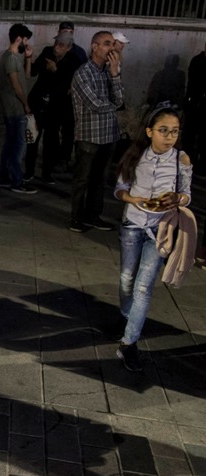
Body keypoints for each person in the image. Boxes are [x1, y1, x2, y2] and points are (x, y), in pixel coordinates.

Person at [113, 106, 192, 372]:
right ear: (149, 132)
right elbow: (120, 189)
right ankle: (128, 316)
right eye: (163, 131)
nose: (169, 137)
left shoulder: (181, 159)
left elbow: (186, 194)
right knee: (126, 280)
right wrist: (134, 199)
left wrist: (178, 199)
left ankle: (128, 342)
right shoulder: (136, 156)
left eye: (174, 132)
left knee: (144, 288)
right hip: (132, 224)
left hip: (161, 230)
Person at [69, 31, 124, 233]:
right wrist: (114, 104)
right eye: (107, 44)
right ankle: (76, 217)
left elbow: (120, 99)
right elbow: (95, 104)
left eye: (113, 44)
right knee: (82, 179)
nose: (111, 48)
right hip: (89, 135)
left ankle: (93, 215)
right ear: (94, 47)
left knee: (99, 180)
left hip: (108, 134)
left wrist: (116, 73)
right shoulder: (83, 73)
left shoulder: (108, 72)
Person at [25, 31, 82, 184]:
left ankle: (46, 173)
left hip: (56, 106)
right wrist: (28, 57)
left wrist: (56, 71)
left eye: (61, 45)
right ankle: (28, 171)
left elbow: (71, 86)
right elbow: (33, 71)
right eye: (56, 43)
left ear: (68, 48)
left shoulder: (73, 61)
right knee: (32, 139)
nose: (57, 47)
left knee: (51, 141)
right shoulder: (47, 52)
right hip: (38, 102)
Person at [0, 23, 37, 194]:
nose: (26, 44)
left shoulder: (14, 57)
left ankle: (3, 178)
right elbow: (16, 86)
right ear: (18, 38)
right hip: (15, 109)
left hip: (13, 108)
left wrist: (28, 57)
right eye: (25, 40)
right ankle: (17, 182)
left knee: (10, 145)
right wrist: (26, 104)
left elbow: (26, 76)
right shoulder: (10, 58)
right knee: (18, 147)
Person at [184, 42, 206, 174]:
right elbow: (193, 83)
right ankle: (188, 162)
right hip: (195, 104)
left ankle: (202, 165)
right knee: (190, 134)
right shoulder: (197, 61)